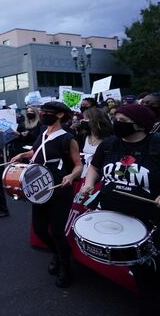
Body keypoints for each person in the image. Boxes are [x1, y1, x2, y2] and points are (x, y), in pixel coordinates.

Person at [80, 104, 160, 315]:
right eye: (115, 118)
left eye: (123, 121)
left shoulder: (156, 145)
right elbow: (95, 167)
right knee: (132, 265)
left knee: (148, 273)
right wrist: (89, 183)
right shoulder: (109, 144)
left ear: (140, 125)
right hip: (114, 214)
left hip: (149, 221)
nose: (117, 123)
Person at [11, 101, 82, 288]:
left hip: (59, 188)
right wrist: (22, 156)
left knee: (57, 231)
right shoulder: (43, 131)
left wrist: (71, 175)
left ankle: (66, 268)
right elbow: (37, 151)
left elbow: (78, 164)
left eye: (46, 112)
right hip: (40, 186)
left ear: (59, 115)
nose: (42, 114)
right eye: (41, 111)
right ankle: (57, 254)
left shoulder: (68, 138)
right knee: (40, 229)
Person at [79, 107, 113, 177]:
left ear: (96, 122)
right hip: (82, 176)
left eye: (86, 119)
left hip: (99, 177)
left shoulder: (109, 140)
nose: (82, 121)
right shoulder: (83, 136)